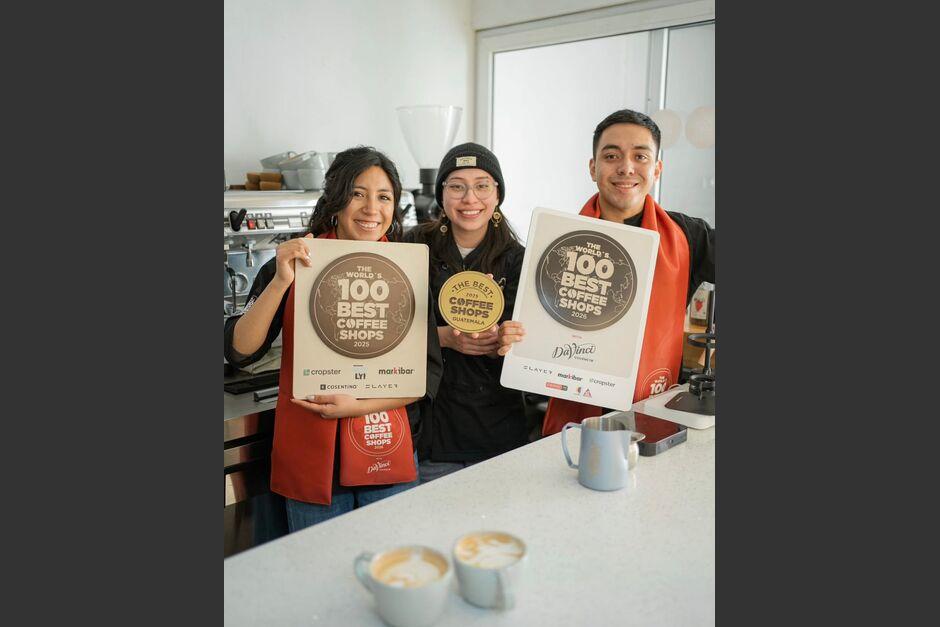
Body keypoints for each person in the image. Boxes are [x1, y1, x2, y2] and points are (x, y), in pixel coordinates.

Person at [224, 146, 442, 532]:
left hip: (385, 450)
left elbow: (422, 376)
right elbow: (241, 350)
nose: (371, 208)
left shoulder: (405, 271)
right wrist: (280, 281)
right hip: (311, 457)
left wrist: (355, 407)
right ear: (336, 201)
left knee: (387, 574)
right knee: (318, 580)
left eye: (384, 196)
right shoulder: (298, 260)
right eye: (358, 193)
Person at [498, 109, 715, 437]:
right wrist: (512, 338)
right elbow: (532, 327)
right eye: (612, 155)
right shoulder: (557, 239)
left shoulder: (688, 236)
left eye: (640, 156)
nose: (626, 167)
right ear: (593, 167)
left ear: (657, 168)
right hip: (575, 417)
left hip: (654, 411)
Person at [402, 143, 527, 483]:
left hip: (499, 434)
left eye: (482, 185)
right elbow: (385, 329)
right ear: (442, 195)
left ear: (497, 194)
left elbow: (537, 350)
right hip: (430, 435)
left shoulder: (522, 261)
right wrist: (441, 338)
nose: (470, 198)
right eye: (456, 186)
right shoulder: (412, 246)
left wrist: (508, 339)